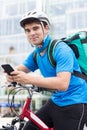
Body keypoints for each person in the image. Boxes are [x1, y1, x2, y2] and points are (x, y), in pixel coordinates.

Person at [6, 10, 87, 130]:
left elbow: (62, 83)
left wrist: (27, 79)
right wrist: (10, 75)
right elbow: (19, 69)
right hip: (56, 101)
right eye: (27, 30)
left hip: (74, 102)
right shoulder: (36, 54)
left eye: (35, 28)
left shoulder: (60, 49)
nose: (31, 33)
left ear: (46, 28)